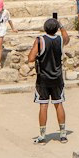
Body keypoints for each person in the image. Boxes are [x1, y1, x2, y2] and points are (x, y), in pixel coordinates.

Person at [29, 15, 69, 143]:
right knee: (59, 104)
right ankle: (63, 134)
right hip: (57, 77)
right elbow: (67, 38)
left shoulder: (40, 40)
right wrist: (61, 25)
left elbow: (30, 58)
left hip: (43, 78)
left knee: (43, 105)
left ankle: (42, 135)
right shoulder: (60, 40)